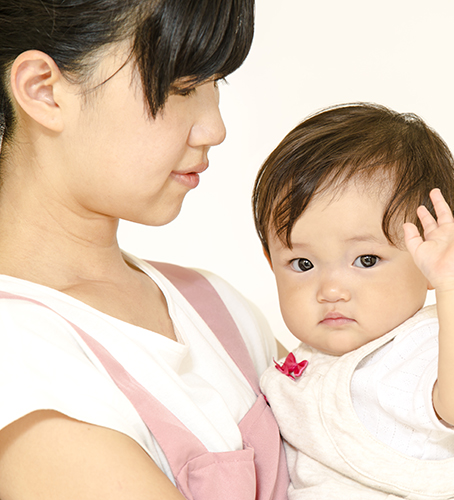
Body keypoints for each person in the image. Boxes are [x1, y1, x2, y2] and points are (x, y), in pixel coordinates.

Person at [0, 1, 289, 499]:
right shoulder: (18, 355)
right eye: (181, 88)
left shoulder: (215, 305)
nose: (214, 128)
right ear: (43, 91)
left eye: (214, 83)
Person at [253, 103, 454, 499]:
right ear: (271, 264)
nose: (331, 289)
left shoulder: (418, 351)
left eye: (366, 260)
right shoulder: (302, 364)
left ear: (426, 262)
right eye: (302, 263)